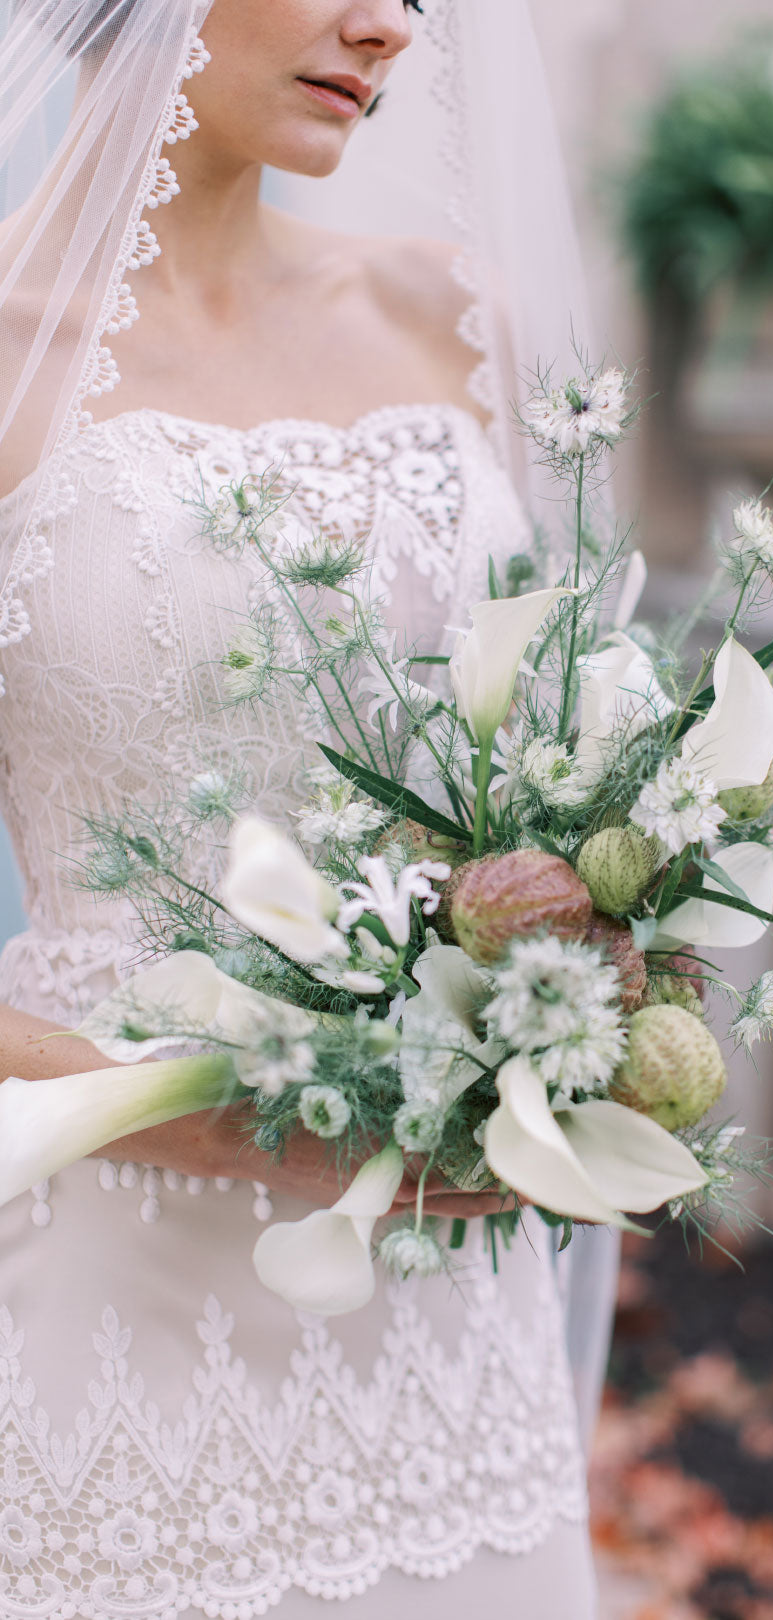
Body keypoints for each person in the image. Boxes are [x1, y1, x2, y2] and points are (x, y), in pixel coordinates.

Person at [0, 2, 615, 1613]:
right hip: (110, 1284)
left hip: (445, 1327)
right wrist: (218, 1112)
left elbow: (583, 753)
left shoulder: (452, 317)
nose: (392, 24)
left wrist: (612, 951)